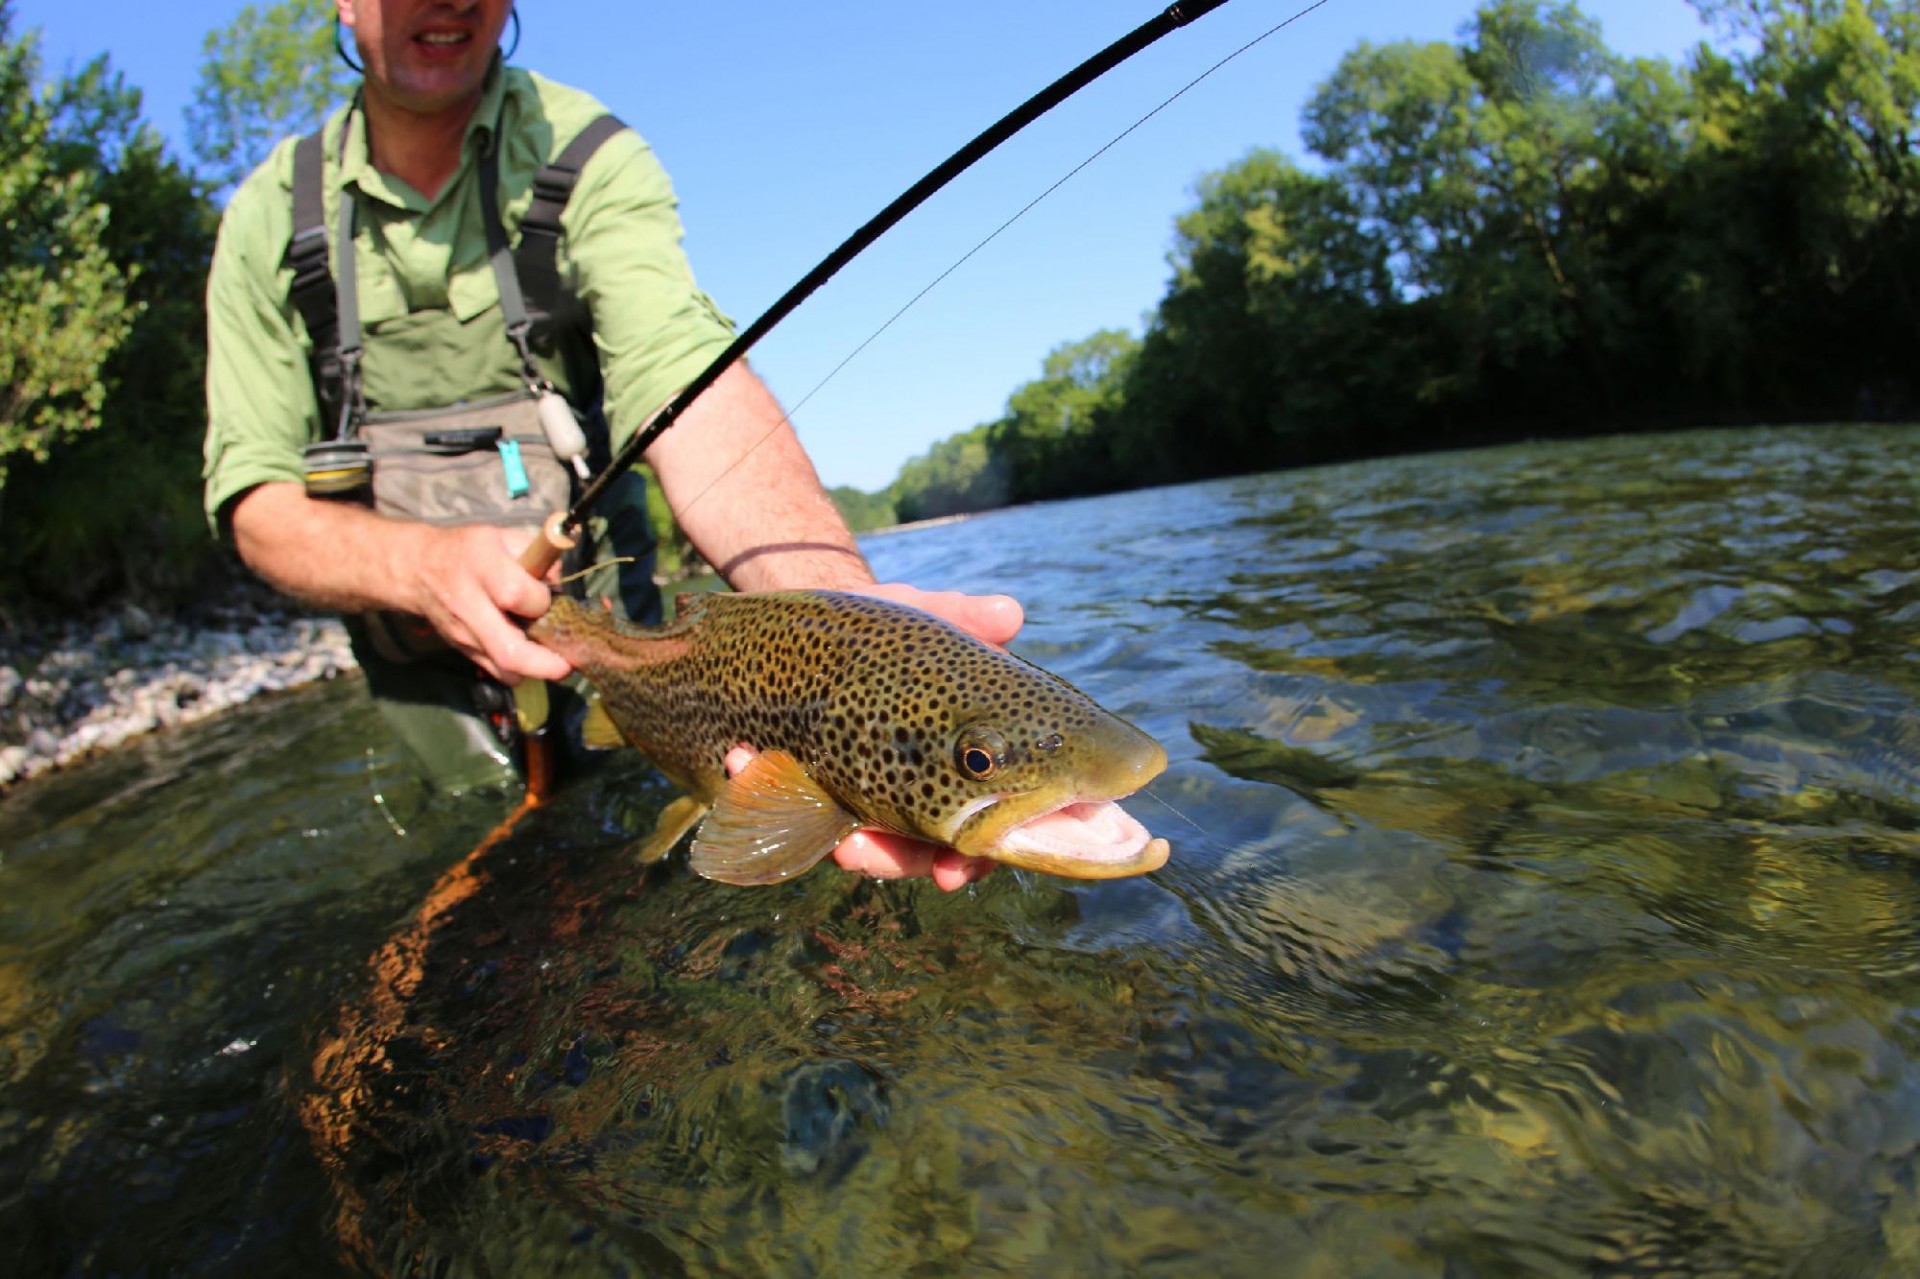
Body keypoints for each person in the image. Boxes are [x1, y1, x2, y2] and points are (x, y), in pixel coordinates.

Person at [202, 0, 1005, 890]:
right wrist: (422, 566)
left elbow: (686, 385)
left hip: (629, 678)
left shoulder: (585, 154)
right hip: (423, 691)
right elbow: (257, 508)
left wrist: (848, 630)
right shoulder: (269, 220)